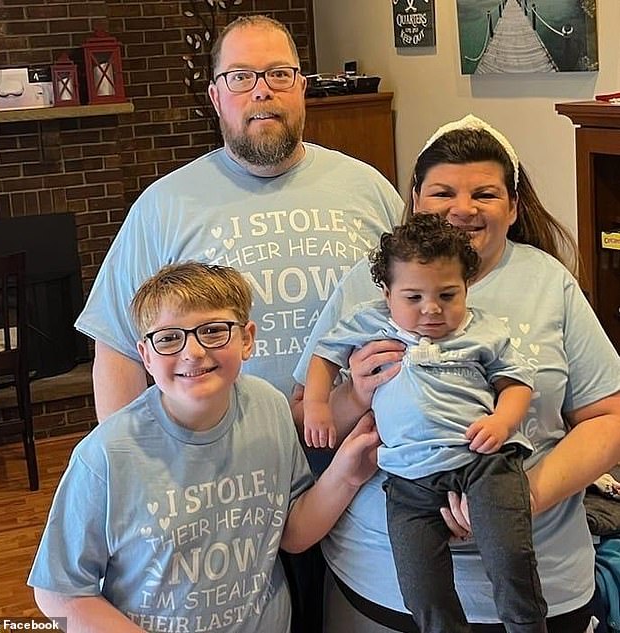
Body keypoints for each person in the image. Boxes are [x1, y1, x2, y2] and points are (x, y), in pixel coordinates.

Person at [293, 114, 620, 633]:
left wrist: (522, 498)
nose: (462, 209)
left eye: (485, 194)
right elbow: (308, 418)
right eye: (443, 191)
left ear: (513, 206)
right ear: (416, 198)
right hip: (384, 581)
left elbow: (609, 418)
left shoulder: (546, 281)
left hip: (542, 583)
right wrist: (355, 394)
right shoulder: (368, 284)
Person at [74, 14, 403, 422]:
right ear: (215, 96)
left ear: (301, 89)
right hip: (223, 461)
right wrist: (126, 465)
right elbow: (118, 346)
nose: (262, 91)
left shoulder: (369, 189)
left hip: (363, 444)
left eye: (279, 74)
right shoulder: (164, 206)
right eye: (240, 77)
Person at [28, 262, 380, 633]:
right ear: (146, 355)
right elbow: (59, 593)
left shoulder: (269, 408)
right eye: (167, 338)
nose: (192, 352)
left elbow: (290, 534)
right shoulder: (106, 455)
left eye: (213, 331)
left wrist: (346, 474)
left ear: (247, 338)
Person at [303, 214, 545, 633]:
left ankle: (527, 625)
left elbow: (517, 383)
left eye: (448, 294)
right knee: (419, 584)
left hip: (484, 462)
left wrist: (503, 422)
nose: (432, 308)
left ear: (467, 286)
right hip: (408, 478)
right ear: (386, 292)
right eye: (413, 297)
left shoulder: (483, 328)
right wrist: (317, 405)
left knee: (510, 557)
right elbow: (324, 357)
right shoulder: (368, 321)